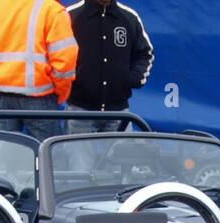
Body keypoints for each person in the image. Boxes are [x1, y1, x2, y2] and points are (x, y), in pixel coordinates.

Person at [0, 0, 79, 141]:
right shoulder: (52, 11)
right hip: (40, 99)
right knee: (50, 156)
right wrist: (60, 93)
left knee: (0, 154)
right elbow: (65, 63)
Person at [65, 0, 154, 132]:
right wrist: (73, 81)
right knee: (77, 154)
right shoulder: (70, 16)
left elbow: (145, 53)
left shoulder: (129, 17)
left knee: (122, 153)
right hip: (80, 111)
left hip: (118, 112)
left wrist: (131, 79)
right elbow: (56, 55)